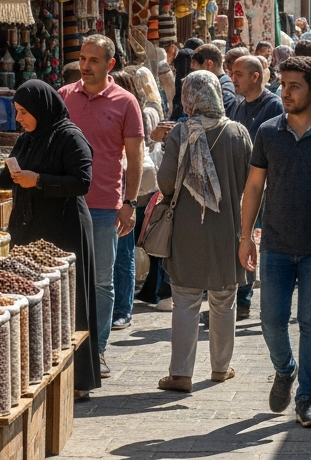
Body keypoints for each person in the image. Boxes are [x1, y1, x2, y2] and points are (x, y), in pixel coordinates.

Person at [238, 55, 311, 428]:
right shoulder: (268, 132)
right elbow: (254, 186)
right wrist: (246, 237)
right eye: (282, 85)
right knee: (270, 321)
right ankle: (284, 368)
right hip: (274, 244)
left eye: (293, 87)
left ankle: (306, 398)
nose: (283, 93)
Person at [0, 80, 101, 395]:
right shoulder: (27, 139)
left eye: (23, 112)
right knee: (36, 303)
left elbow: (81, 182)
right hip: (29, 229)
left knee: (69, 303)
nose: (18, 118)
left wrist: (41, 181)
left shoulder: (70, 137)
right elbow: (12, 176)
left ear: (40, 109)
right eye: (17, 112)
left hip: (64, 231)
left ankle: (77, 382)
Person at [153, 71, 251, 393]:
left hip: (187, 229)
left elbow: (166, 183)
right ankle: (221, 368)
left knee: (185, 299)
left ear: (189, 97)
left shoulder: (181, 133)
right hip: (229, 230)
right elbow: (252, 186)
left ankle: (181, 373)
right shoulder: (238, 134)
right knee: (225, 299)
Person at [60, 34, 144, 377]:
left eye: (93, 60)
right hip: (64, 200)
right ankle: (65, 350)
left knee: (101, 282)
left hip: (104, 205)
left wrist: (130, 202)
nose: (85, 66)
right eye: (82, 59)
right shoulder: (64, 97)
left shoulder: (125, 102)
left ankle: (97, 350)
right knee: (65, 278)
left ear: (110, 64)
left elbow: (136, 157)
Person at [228, 55, 284, 320]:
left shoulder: (272, 106)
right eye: (233, 73)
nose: (233, 78)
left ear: (255, 76)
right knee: (244, 239)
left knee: (260, 243)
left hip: (266, 190)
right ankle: (241, 300)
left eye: (238, 74)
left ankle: (252, 302)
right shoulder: (239, 107)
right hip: (243, 188)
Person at [110, 70, 159, 330]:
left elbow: (135, 156)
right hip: (113, 191)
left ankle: (123, 308)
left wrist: (128, 200)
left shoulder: (132, 112)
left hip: (130, 192)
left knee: (125, 251)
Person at [192, 44, 240, 117]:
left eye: (197, 71)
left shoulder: (224, 89)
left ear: (209, 64)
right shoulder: (215, 84)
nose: (195, 75)